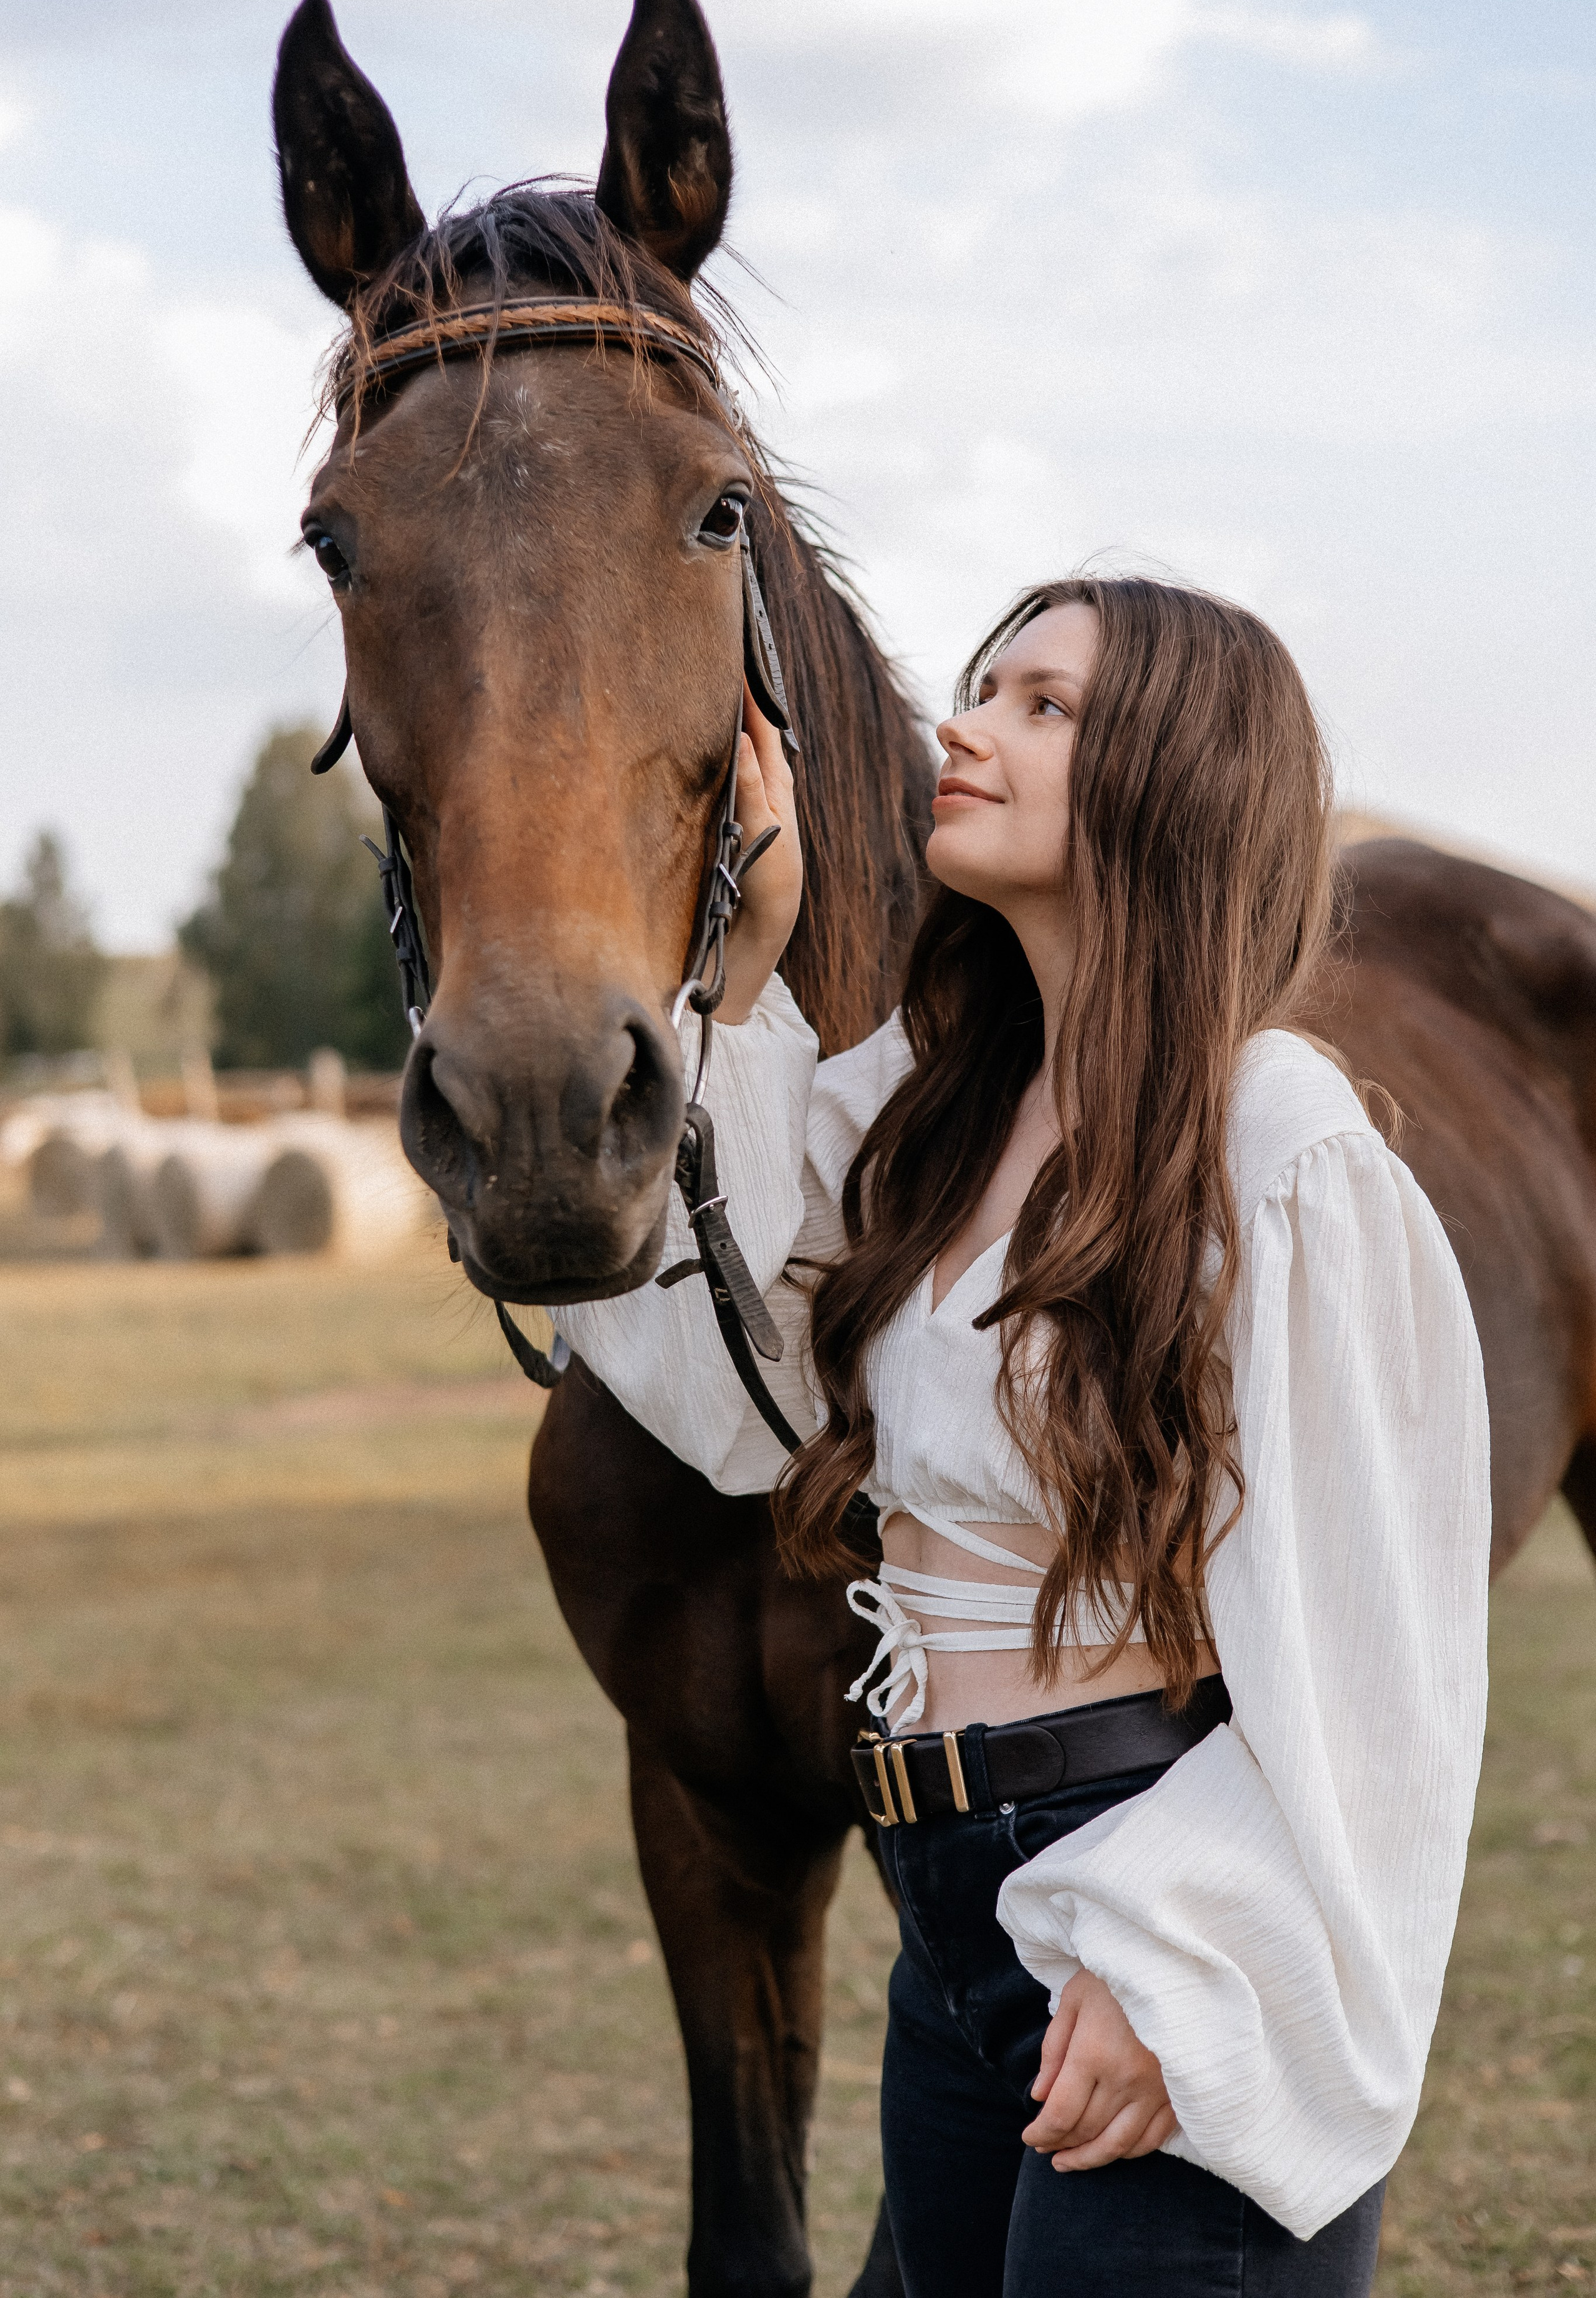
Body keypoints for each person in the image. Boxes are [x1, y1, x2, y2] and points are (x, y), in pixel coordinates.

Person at [552, 575, 1491, 2297]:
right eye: (981, 686)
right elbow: (724, 1384)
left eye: (1041, 704)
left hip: (1150, 1901)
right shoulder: (939, 1092)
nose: (963, 727)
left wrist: (1187, 1959)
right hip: (946, 1907)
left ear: (1174, 774)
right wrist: (741, 983)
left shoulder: (1271, 1134)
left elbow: (1382, 1659)